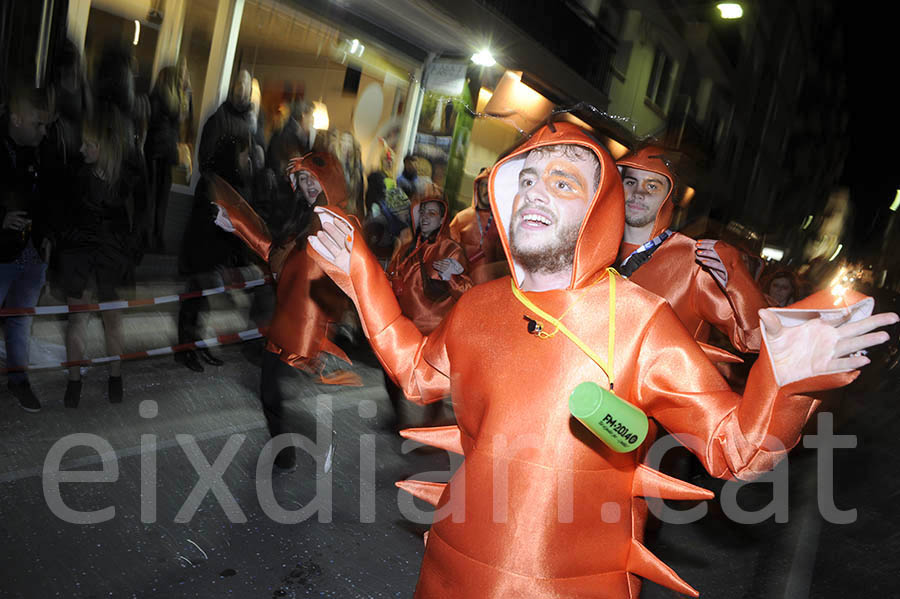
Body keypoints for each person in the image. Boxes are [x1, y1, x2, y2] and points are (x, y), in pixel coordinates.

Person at [307, 121, 896, 597]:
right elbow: (416, 372)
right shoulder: (479, 305)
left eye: (563, 182)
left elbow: (735, 450)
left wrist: (785, 379)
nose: (536, 189)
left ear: (598, 209)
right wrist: (362, 279)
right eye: (527, 179)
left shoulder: (641, 321)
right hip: (449, 569)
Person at [211, 152, 361, 471]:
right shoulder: (302, 221)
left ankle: (301, 444)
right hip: (287, 317)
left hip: (311, 323)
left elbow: (357, 269)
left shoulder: (339, 221)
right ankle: (286, 451)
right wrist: (235, 225)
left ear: (328, 180)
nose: (307, 185)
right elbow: (273, 253)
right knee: (269, 391)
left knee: (271, 388)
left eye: (313, 179)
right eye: (302, 179)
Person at [617, 146, 768, 355]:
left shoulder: (696, 262)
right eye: (631, 182)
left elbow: (757, 340)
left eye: (652, 186)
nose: (638, 193)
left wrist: (737, 276)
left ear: (669, 197)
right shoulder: (590, 247)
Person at [58, 112, 138, 407]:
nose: (82, 150)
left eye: (88, 145)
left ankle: (104, 379)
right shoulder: (83, 179)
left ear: (103, 148)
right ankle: (80, 382)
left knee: (106, 320)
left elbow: (131, 227)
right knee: (84, 320)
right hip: (88, 259)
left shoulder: (120, 183)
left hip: (103, 260)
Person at [175, 133, 251, 372]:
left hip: (211, 254)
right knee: (193, 302)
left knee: (201, 303)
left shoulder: (229, 181)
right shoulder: (211, 182)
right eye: (243, 153)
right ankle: (185, 349)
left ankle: (194, 343)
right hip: (200, 253)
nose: (246, 159)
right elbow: (206, 220)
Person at [1, 83, 51, 412]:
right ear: (17, 119)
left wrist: (47, 237)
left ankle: (19, 381)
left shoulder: (39, 151)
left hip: (31, 251)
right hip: (2, 252)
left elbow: (48, 198)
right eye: (38, 124)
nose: (44, 131)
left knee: (20, 319)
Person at [448, 168, 510, 285]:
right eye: (483, 185)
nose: (486, 190)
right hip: (461, 283)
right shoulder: (461, 218)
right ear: (477, 187)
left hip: (490, 286)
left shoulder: (503, 221)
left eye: (490, 186)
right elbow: (448, 251)